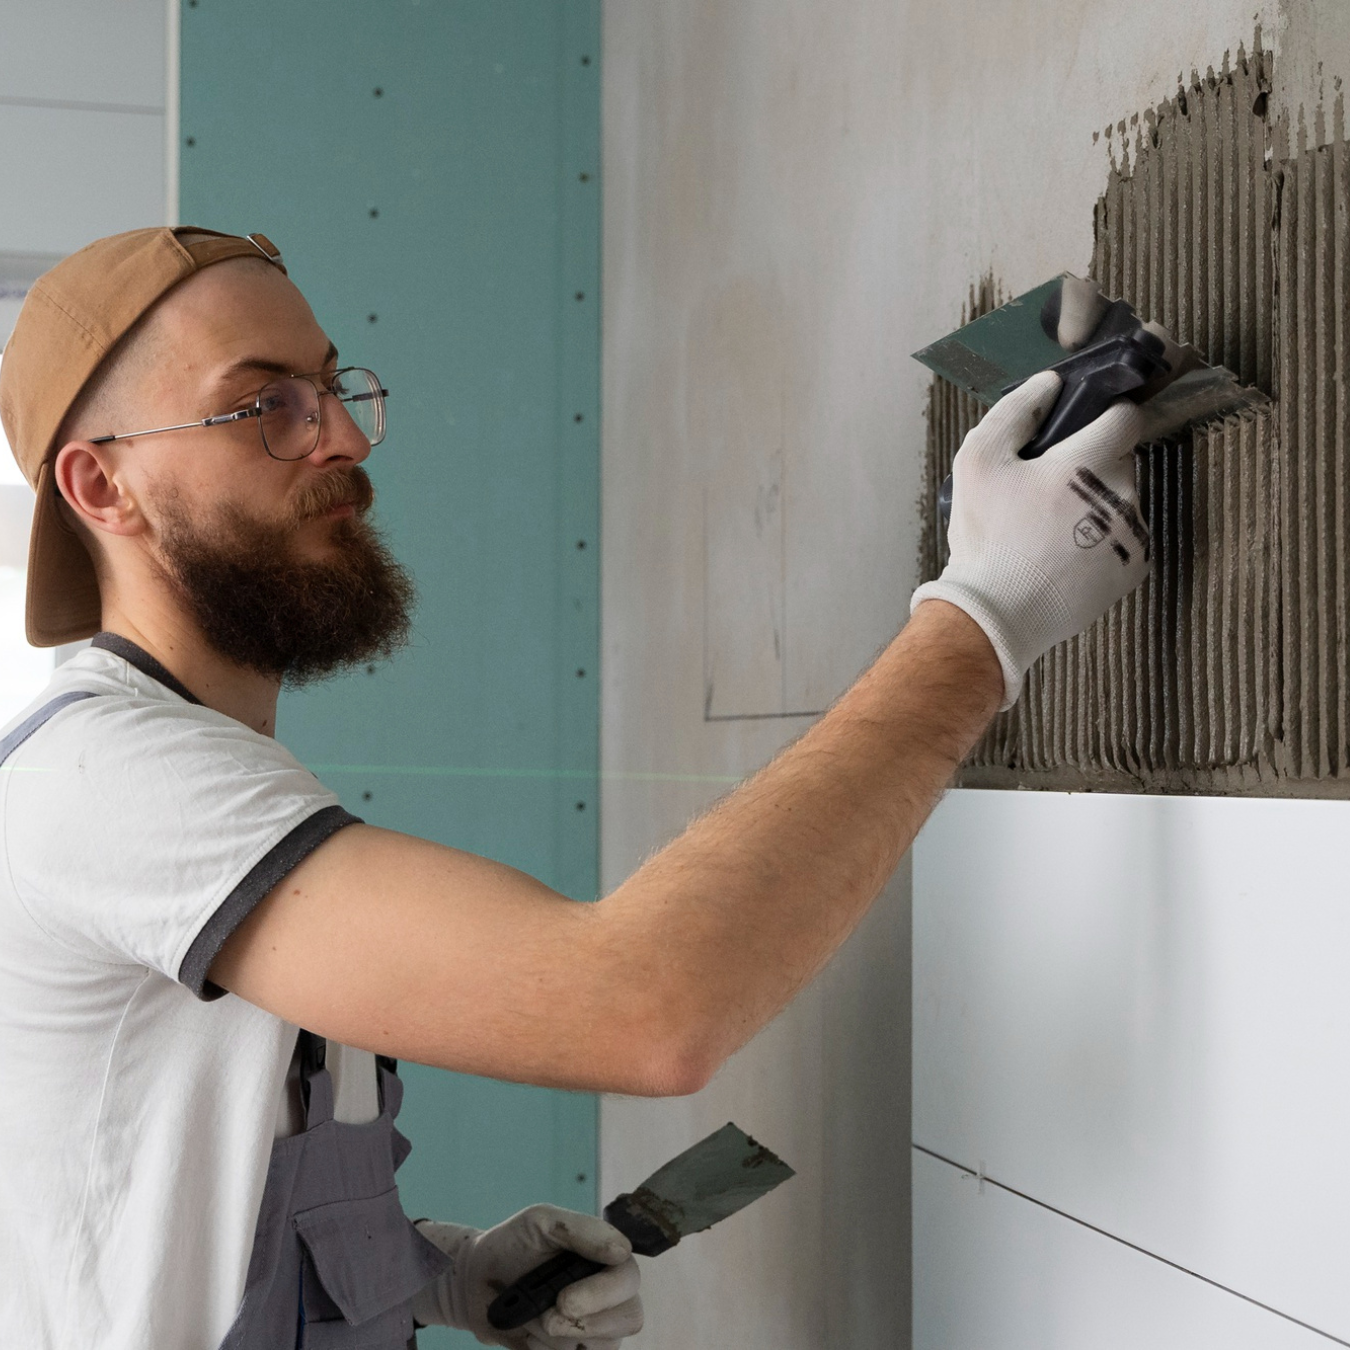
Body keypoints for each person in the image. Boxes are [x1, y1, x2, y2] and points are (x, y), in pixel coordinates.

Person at [0, 227, 1149, 1350]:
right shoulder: (111, 784)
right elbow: (646, 1008)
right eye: (268, 407)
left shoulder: (193, 775)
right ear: (105, 487)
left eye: (333, 386)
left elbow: (157, 1200)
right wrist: (983, 618)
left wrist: (436, 1274)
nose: (345, 436)